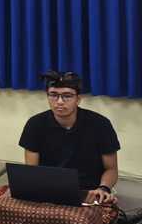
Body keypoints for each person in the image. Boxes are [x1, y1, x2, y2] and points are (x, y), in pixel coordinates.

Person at [19, 71, 120, 205]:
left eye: (67, 96)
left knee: (92, 214)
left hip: (90, 191)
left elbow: (111, 169)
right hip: (48, 190)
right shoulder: (35, 124)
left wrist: (103, 188)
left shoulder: (100, 124)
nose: (59, 102)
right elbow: (32, 171)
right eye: (53, 95)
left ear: (78, 99)